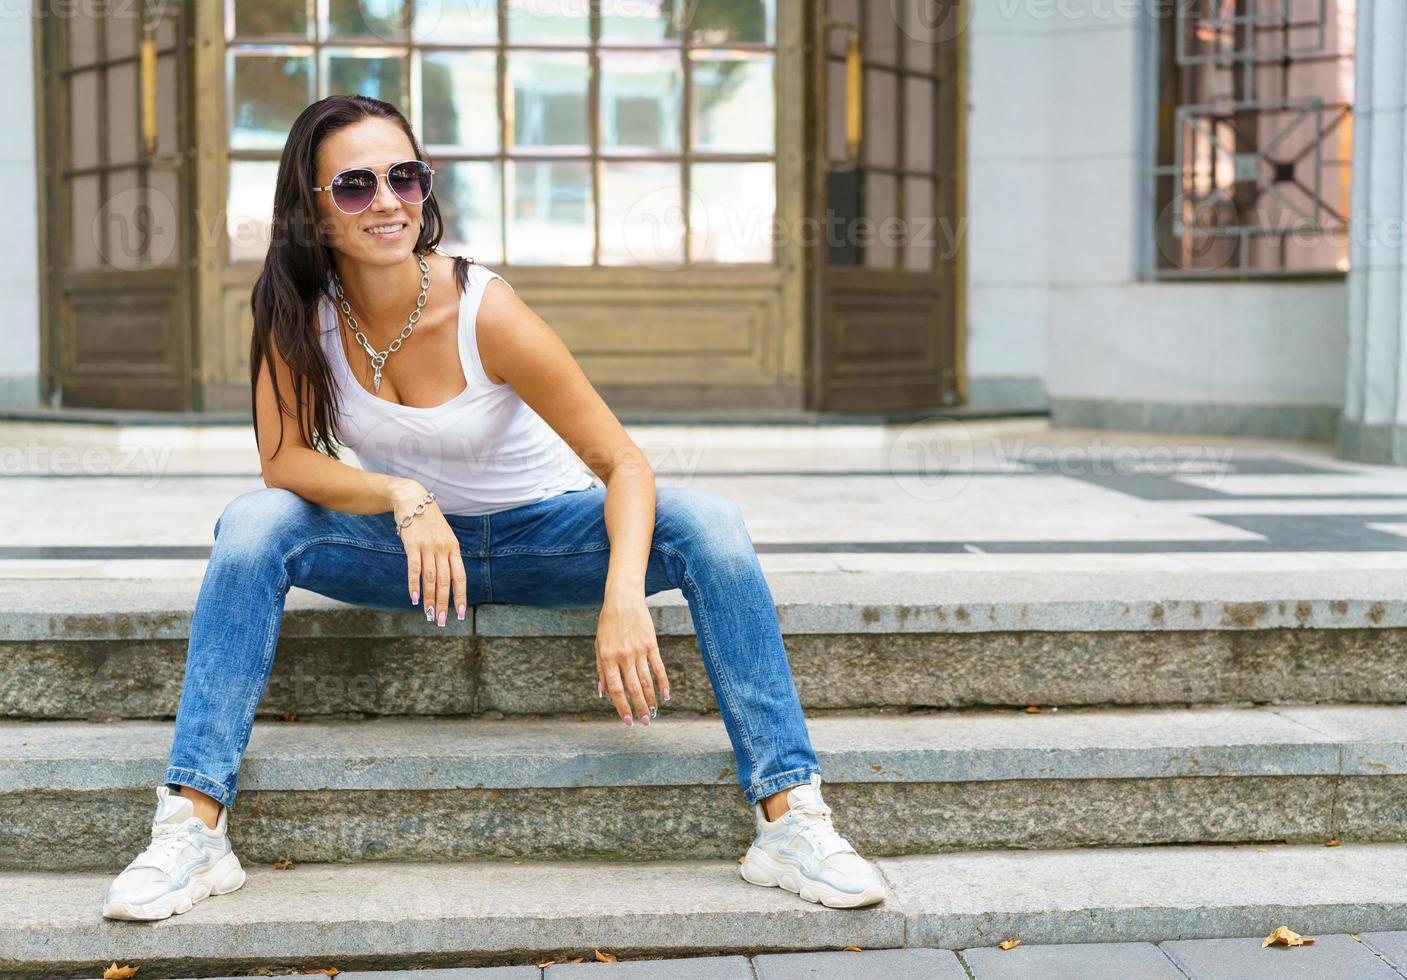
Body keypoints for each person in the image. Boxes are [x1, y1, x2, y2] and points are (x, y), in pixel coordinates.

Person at [102, 94, 885, 921]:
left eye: (405, 176)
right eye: (357, 186)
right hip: (413, 555)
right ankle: (191, 830)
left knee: (712, 524)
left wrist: (623, 598)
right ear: (313, 209)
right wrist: (402, 495)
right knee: (252, 524)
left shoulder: (484, 307)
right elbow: (284, 461)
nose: (390, 201)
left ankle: (790, 819)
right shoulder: (297, 314)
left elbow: (622, 462)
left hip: (547, 538)